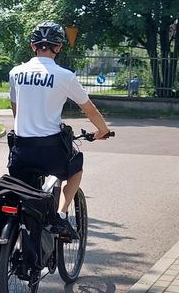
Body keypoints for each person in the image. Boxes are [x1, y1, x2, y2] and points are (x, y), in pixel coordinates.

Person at [8, 21, 112, 242]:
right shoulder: (64, 76)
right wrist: (102, 130)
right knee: (76, 166)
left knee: (23, 196)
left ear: (32, 46)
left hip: (20, 150)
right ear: (59, 47)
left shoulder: (16, 73)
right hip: (50, 151)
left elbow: (15, 109)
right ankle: (61, 214)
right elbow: (89, 109)